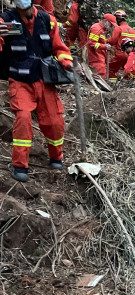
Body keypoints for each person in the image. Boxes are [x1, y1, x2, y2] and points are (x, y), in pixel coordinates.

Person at [0, 0, 74, 182]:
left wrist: (67, 63)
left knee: (54, 121)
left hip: (44, 79)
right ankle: (19, 165)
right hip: (20, 80)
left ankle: (56, 156)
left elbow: (59, 47)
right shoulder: (5, 20)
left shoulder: (47, 20)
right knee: (23, 118)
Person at [106, 10, 135, 82]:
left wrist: (105, 40)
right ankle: (125, 87)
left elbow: (113, 41)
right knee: (126, 71)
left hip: (121, 54)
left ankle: (112, 85)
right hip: (131, 55)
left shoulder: (118, 29)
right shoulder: (134, 31)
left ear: (118, 19)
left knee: (110, 69)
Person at [87, 13, 115, 78]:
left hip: (100, 57)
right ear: (106, 21)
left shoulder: (102, 30)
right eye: (111, 24)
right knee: (101, 77)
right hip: (96, 59)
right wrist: (105, 46)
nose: (111, 27)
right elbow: (92, 43)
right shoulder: (96, 28)